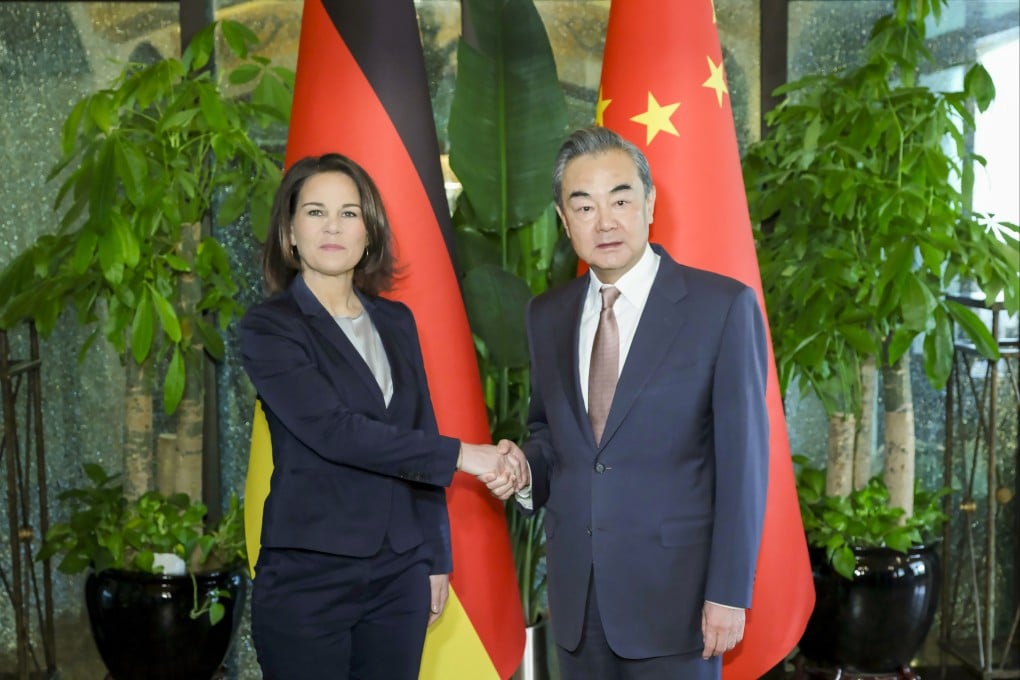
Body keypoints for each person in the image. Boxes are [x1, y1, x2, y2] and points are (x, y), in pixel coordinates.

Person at [493, 126, 769, 679]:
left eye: (620, 200)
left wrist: (729, 592)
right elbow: (549, 433)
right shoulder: (546, 315)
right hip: (578, 602)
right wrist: (523, 470)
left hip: (679, 602)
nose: (605, 221)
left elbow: (744, 464)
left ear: (650, 203)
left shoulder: (720, 307)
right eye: (584, 206)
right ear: (564, 219)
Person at [239, 153, 514, 680]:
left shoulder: (396, 320)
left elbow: (419, 428)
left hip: (400, 574)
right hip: (308, 575)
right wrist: (466, 456)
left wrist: (434, 557)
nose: (333, 227)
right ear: (290, 232)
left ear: (368, 232)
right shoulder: (269, 328)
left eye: (349, 213)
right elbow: (335, 432)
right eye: (316, 212)